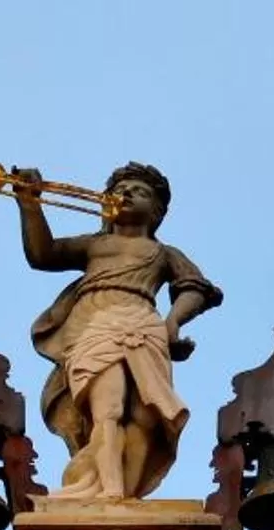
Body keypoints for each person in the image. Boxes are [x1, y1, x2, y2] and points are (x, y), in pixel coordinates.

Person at [15, 161, 221, 503]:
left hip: (144, 327)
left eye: (139, 191)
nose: (126, 194)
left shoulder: (162, 253)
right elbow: (42, 254)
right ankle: (109, 492)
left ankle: (127, 492)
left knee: (147, 416)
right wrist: (30, 204)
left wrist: (173, 323)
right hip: (96, 326)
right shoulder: (95, 245)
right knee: (106, 409)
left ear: (156, 211)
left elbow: (194, 287)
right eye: (119, 190)